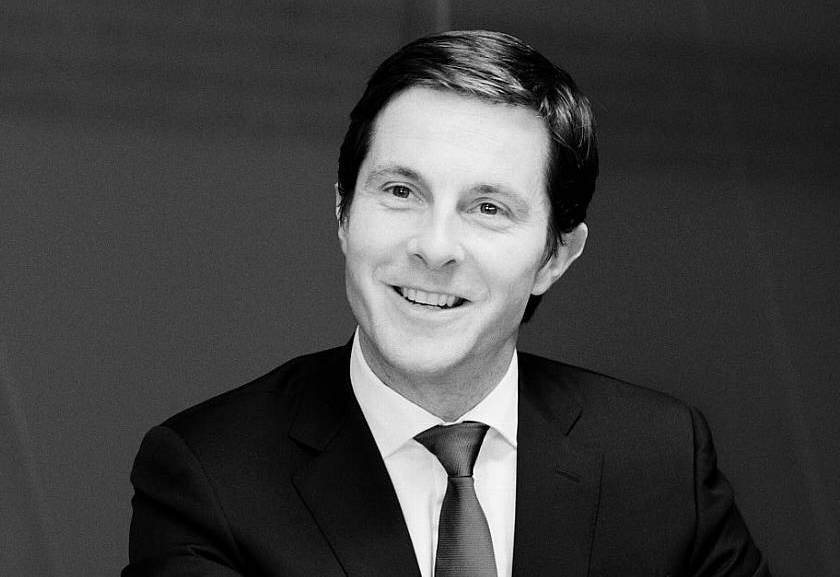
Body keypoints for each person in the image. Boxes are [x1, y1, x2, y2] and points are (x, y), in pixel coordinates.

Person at [123, 30, 769, 576]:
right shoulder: (207, 475)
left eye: (488, 208)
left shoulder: (660, 457)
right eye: (401, 191)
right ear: (343, 214)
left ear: (556, 256)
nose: (434, 248)